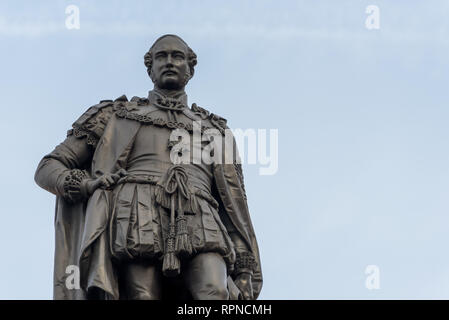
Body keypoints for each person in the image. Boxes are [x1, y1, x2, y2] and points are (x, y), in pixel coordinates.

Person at [35, 34, 262, 300]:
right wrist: (86, 185)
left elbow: (233, 208)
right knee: (142, 295)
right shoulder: (115, 115)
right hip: (135, 212)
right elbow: (49, 166)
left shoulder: (216, 131)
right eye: (161, 57)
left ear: (190, 68)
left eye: (177, 56)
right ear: (149, 67)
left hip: (201, 215)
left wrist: (245, 270)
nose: (169, 62)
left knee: (214, 290)